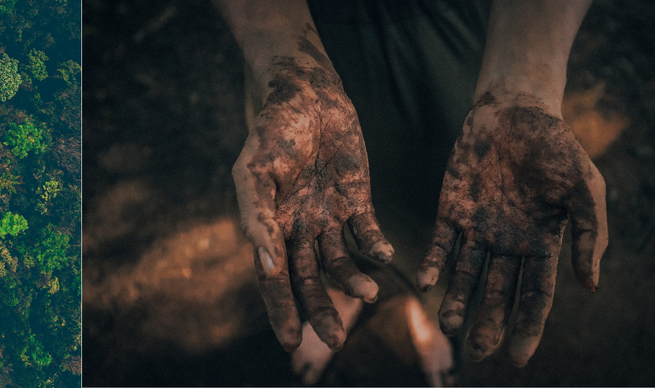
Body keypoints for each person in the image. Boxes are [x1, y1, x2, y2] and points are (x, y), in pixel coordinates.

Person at [213, 0, 608, 367]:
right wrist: (289, 70)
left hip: (463, 37)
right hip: (297, 36)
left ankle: (428, 308)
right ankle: (340, 291)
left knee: (446, 217)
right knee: (317, 213)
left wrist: (524, 86)